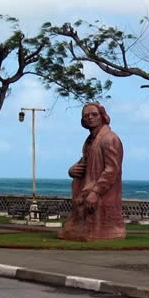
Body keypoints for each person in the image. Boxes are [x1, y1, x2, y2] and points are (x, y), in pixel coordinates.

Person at [58, 103, 125, 241]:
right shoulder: (90, 141)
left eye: (94, 114)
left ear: (102, 116)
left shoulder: (110, 139)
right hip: (87, 188)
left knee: (94, 220)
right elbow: (84, 161)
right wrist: (72, 170)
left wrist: (96, 192)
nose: (90, 117)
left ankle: (106, 232)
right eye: (86, 116)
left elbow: (112, 169)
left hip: (101, 191)